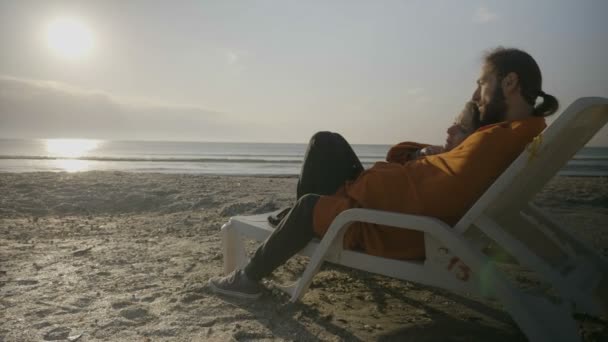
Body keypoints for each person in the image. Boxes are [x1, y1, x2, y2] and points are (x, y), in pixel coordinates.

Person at [208, 47, 559, 299]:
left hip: (387, 226)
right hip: (390, 209)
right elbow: (440, 174)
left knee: (308, 205)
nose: (476, 94)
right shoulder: (511, 133)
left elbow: (434, 194)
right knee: (326, 142)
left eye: (483, 82)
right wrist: (419, 155)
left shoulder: (497, 140)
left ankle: (250, 279)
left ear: (510, 81)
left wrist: (362, 186)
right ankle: (306, 227)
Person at [267, 101, 481, 227]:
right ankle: (299, 211)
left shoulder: (454, 169)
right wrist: (420, 152)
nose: (449, 130)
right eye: (453, 123)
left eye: (460, 128)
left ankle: (299, 218)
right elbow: (394, 155)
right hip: (369, 198)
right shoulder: (448, 158)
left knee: (322, 141)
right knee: (329, 139)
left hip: (368, 208)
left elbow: (404, 185)